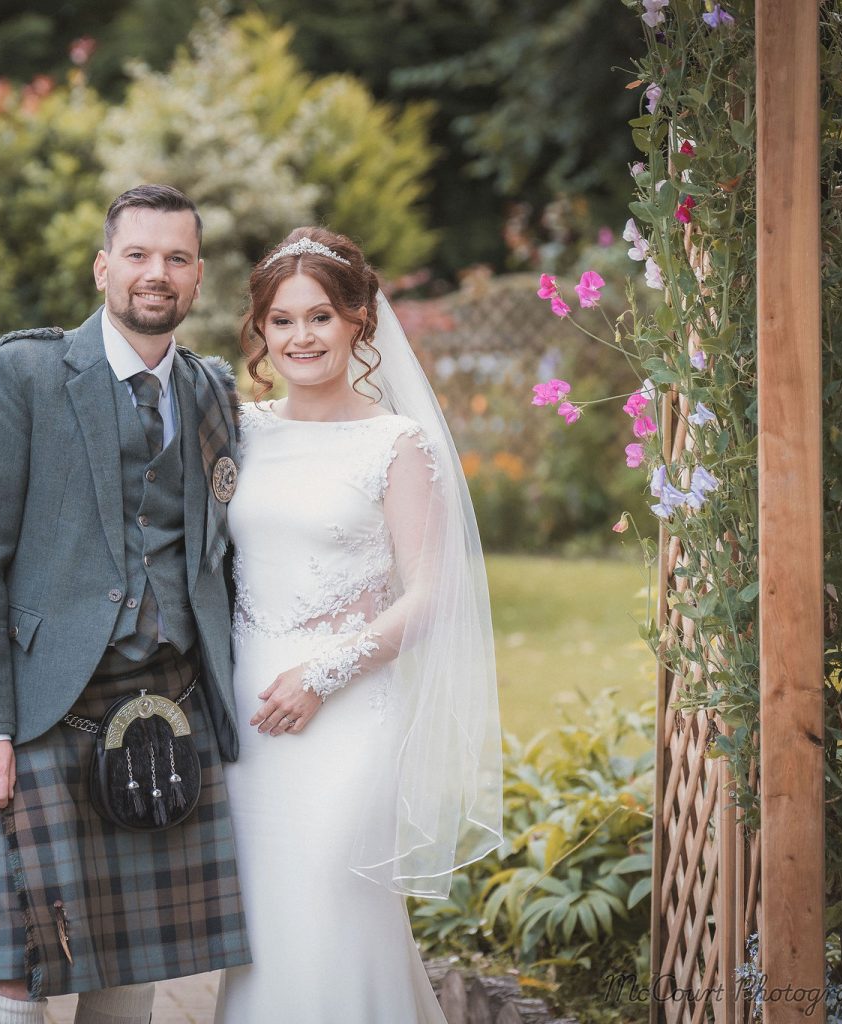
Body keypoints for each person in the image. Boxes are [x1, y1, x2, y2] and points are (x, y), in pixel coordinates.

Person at [0, 184, 250, 1024]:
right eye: (140, 255)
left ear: (198, 276)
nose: (158, 273)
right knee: (14, 962)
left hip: (169, 706)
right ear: (103, 266)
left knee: (129, 954)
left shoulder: (213, 390)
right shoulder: (23, 373)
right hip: (46, 714)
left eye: (177, 258)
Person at [214, 227, 505, 1023]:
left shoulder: (395, 443)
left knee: (332, 909)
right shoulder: (239, 430)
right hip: (245, 712)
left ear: (357, 323)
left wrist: (324, 673)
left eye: (318, 318)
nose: (299, 337)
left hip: (345, 711)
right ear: (261, 332)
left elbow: (430, 595)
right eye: (281, 320)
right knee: (264, 929)